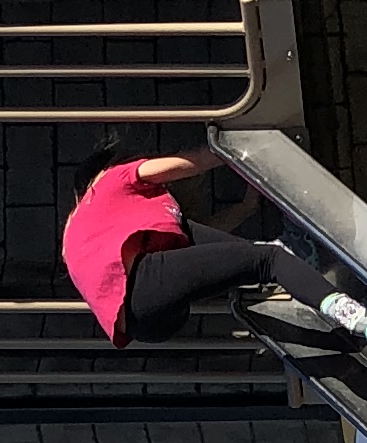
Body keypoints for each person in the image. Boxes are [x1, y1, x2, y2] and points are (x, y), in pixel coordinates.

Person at [61, 148, 346, 347]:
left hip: (143, 324)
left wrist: (246, 207)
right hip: (142, 287)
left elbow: (199, 245)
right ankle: (342, 308)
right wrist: (242, 150)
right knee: (268, 260)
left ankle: (288, 264)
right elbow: (193, 161)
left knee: (240, 256)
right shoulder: (113, 179)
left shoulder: (96, 229)